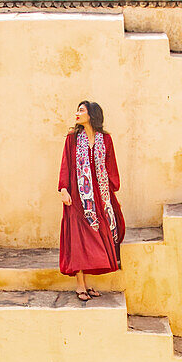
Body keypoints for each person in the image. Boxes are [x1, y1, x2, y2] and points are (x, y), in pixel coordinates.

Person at [58, 100, 126, 301]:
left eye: (81, 110)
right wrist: (63, 188)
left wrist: (110, 194)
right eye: (78, 110)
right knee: (78, 239)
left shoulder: (105, 140)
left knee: (99, 237)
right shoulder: (72, 140)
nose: (77, 113)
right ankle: (80, 285)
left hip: (100, 197)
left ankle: (86, 285)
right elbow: (65, 164)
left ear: (92, 114)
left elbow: (110, 165)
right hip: (78, 196)